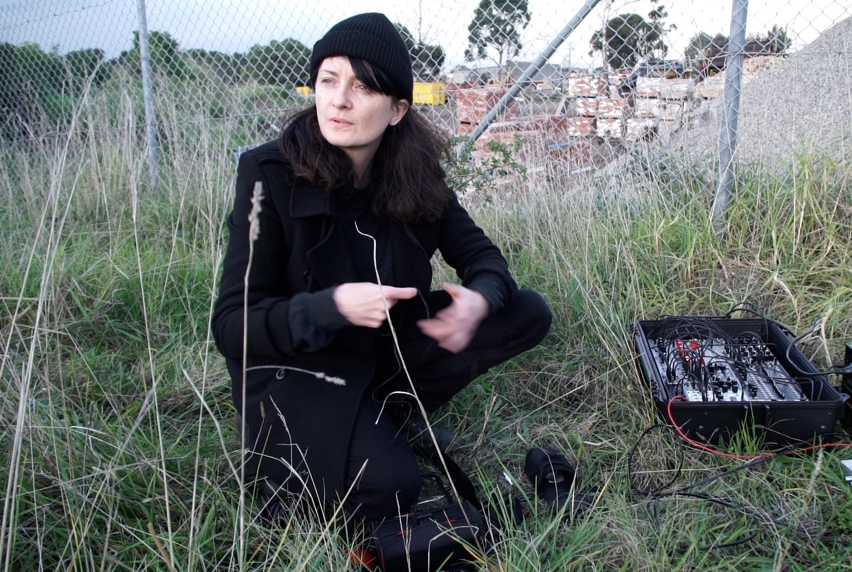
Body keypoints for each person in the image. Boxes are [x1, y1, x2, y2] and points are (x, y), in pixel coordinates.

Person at [211, 12, 552, 522]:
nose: (339, 100)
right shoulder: (268, 175)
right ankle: (304, 453)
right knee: (393, 487)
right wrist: (329, 308)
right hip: (300, 371)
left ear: (396, 110)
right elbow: (232, 325)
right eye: (328, 80)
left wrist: (478, 299)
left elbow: (482, 258)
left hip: (385, 353)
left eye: (362, 87)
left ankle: (388, 413)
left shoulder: (416, 174)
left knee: (526, 311)